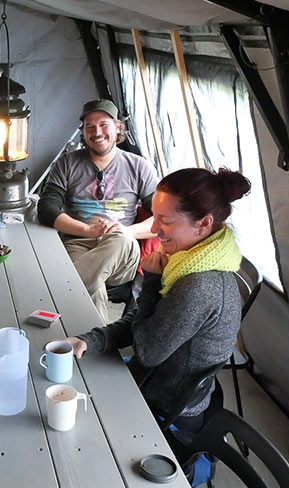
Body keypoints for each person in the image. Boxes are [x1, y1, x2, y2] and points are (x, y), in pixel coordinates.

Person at [56, 168, 250, 431]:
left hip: (164, 408)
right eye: (155, 217)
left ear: (203, 223)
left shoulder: (198, 286)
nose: (155, 229)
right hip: (150, 380)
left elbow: (147, 350)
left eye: (165, 221)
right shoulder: (189, 260)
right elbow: (149, 322)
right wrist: (90, 340)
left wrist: (151, 282)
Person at [37, 98, 159, 323]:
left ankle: (57, 289)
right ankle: (97, 341)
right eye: (89, 126)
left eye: (103, 124)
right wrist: (86, 230)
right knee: (92, 286)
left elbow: (163, 218)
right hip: (77, 245)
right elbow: (46, 208)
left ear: (118, 127)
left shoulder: (139, 166)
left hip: (122, 252)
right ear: (83, 132)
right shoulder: (67, 163)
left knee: (120, 239)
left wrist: (127, 230)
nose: (97, 132)